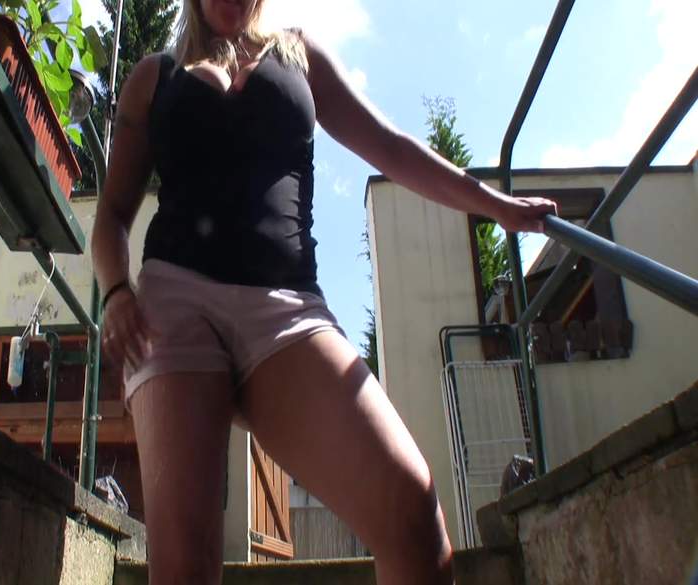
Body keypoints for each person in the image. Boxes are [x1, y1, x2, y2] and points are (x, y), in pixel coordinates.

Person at [91, 0, 557, 583]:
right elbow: (111, 215)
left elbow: (390, 145)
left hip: (288, 312)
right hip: (172, 303)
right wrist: (116, 292)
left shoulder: (299, 54)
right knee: (184, 567)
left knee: (412, 511)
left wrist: (495, 205)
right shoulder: (152, 77)